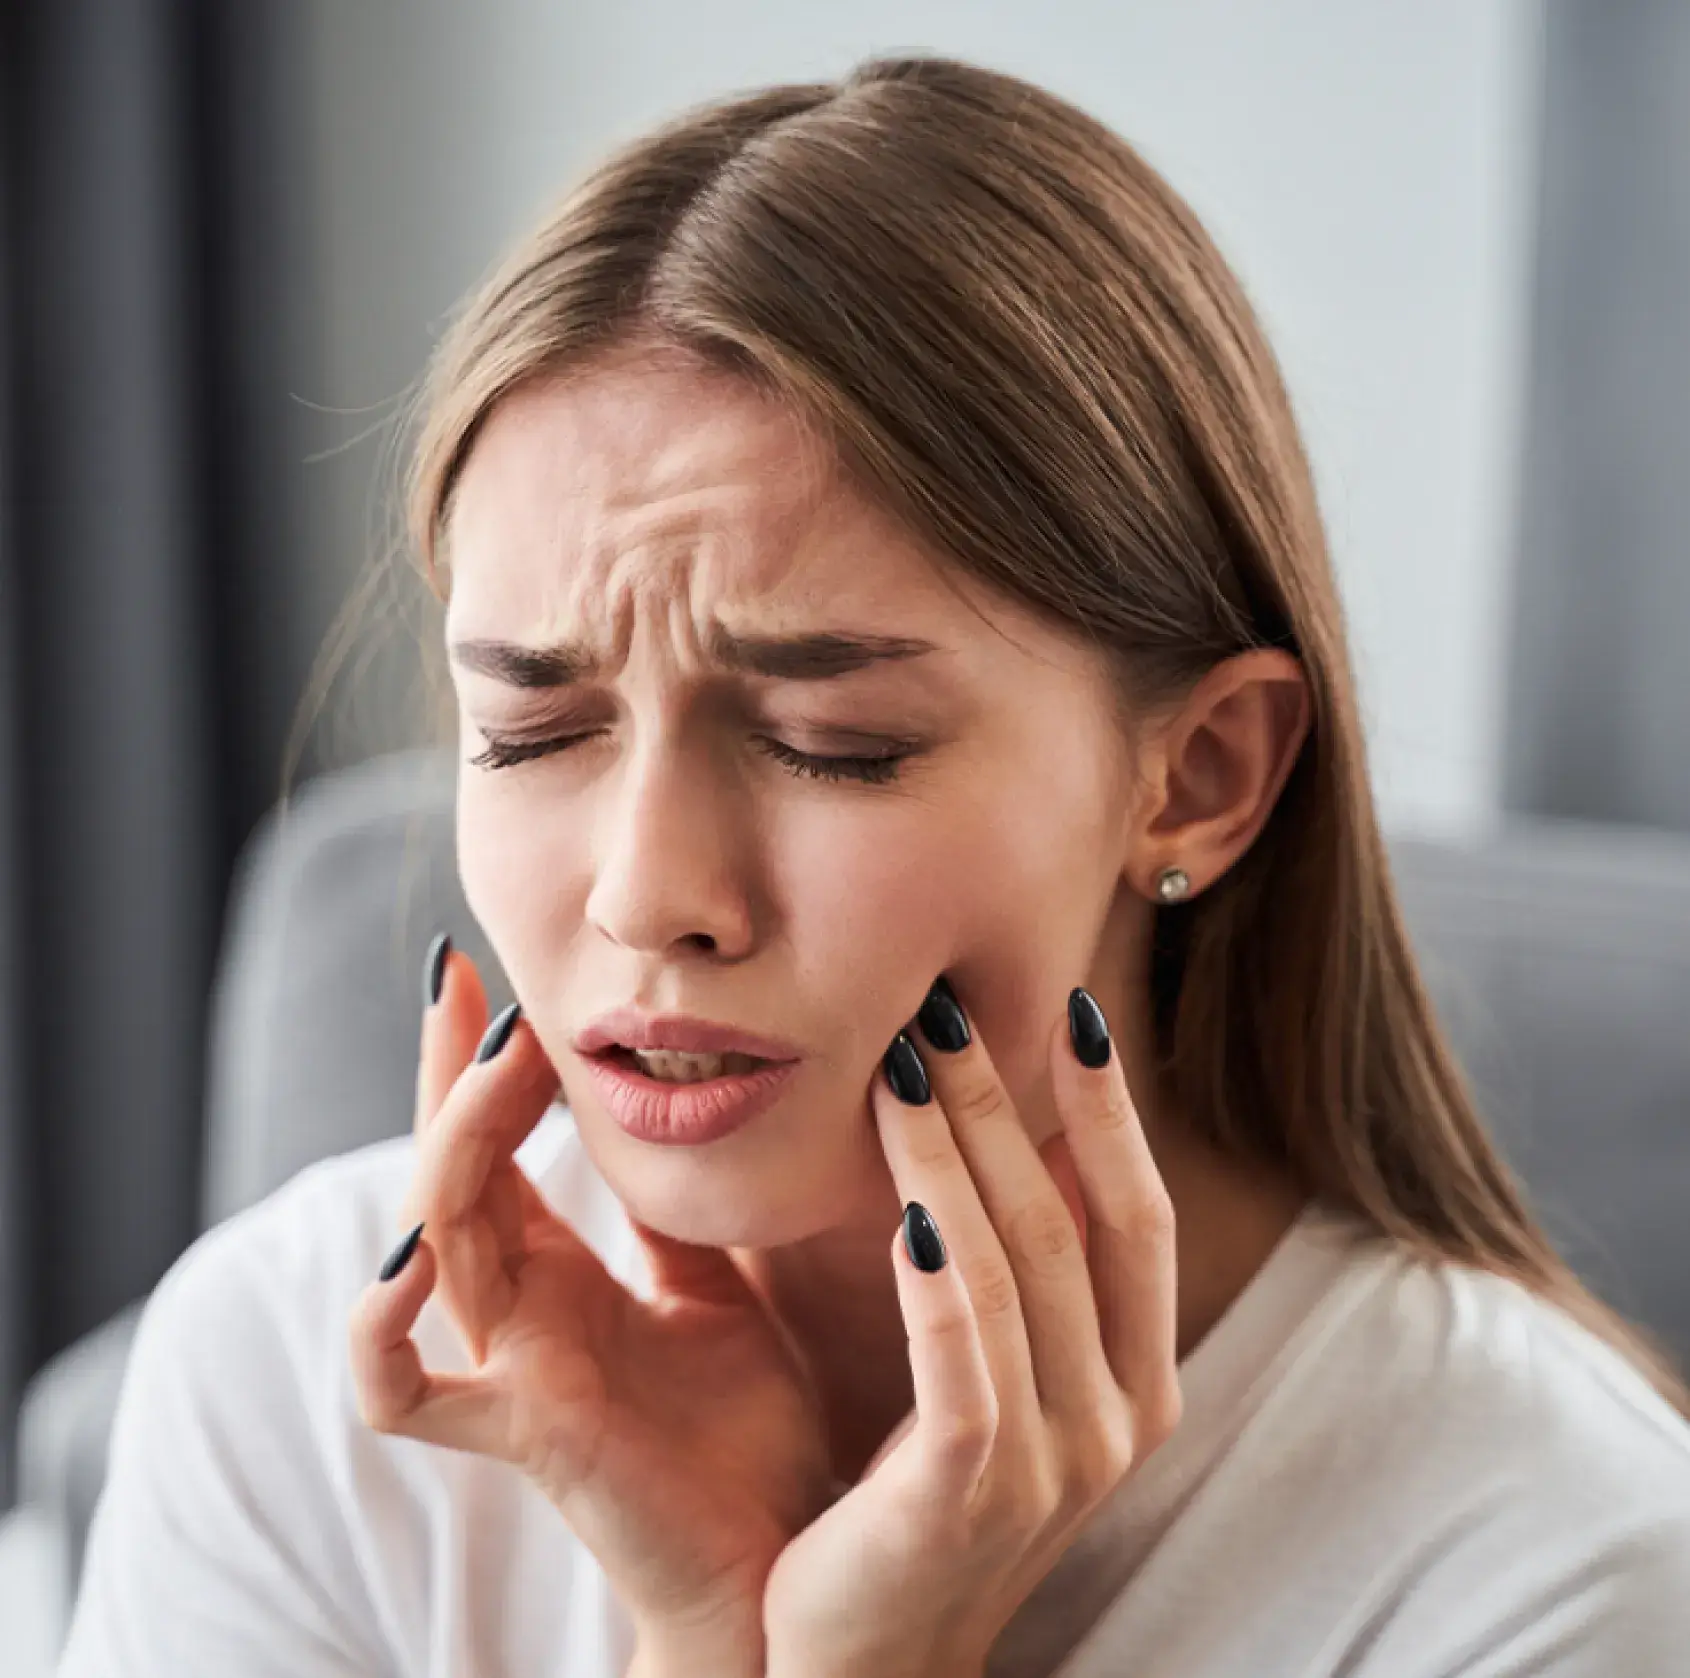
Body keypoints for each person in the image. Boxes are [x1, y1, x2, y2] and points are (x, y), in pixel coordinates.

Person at [56, 52, 1690, 1678]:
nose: (646, 894)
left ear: (1197, 777)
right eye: (535, 731)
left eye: (832, 743)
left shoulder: (1555, 1569)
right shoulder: (290, 1371)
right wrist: (711, 1634)